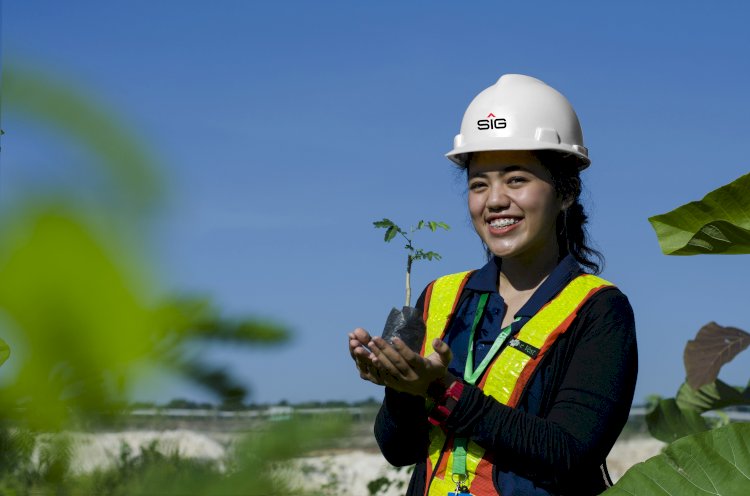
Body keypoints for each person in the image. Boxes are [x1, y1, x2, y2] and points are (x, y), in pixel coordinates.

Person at [348, 74, 637, 496]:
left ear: (566, 191)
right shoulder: (441, 297)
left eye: (516, 179)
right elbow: (398, 448)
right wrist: (402, 389)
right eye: (478, 184)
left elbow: (569, 453)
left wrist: (440, 388)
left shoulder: (599, 310)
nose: (495, 199)